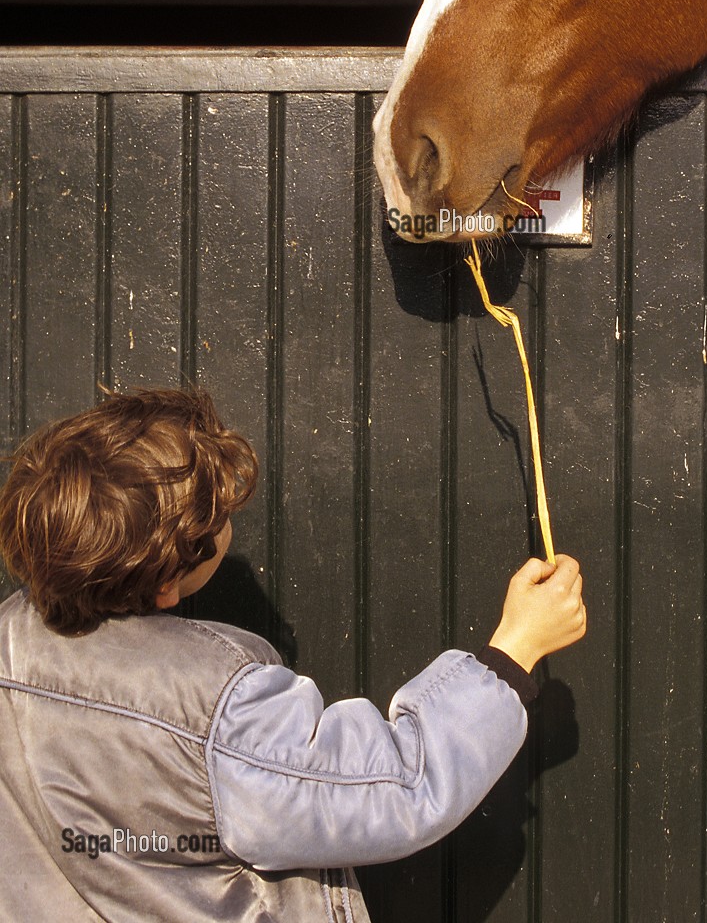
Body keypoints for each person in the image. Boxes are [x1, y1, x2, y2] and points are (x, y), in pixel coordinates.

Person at [0, 387, 586, 922]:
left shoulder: (8, 643)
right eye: (221, 513)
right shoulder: (215, 710)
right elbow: (396, 785)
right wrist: (513, 652)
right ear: (166, 586)